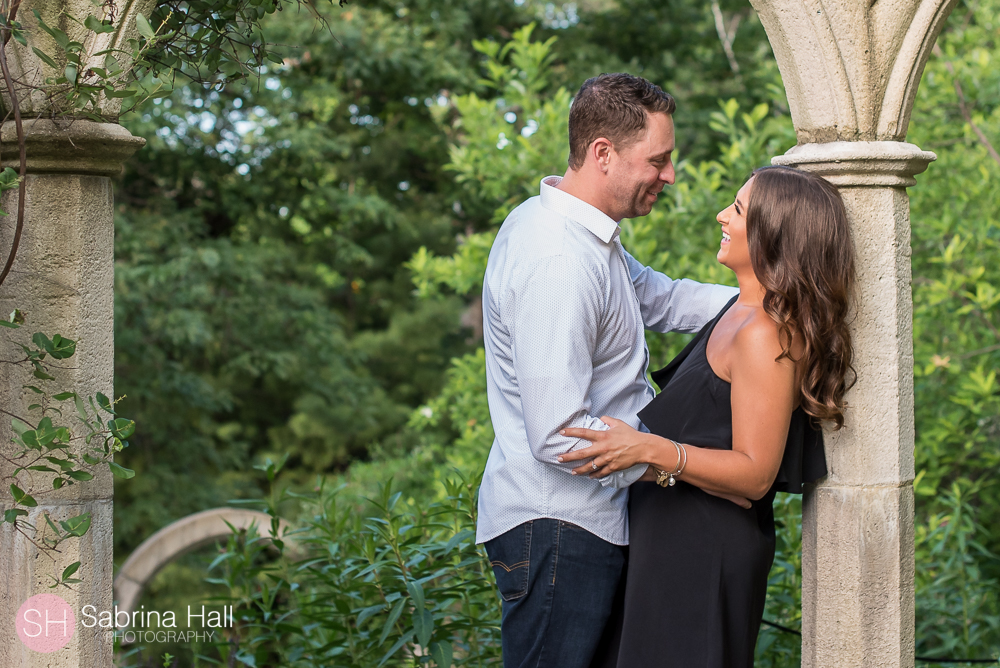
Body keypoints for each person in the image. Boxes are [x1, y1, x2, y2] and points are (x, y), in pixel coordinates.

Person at [476, 72, 738, 668]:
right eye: (659, 160)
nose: (669, 176)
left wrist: (763, 305)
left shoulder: (585, 236)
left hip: (582, 526)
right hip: (560, 530)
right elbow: (559, 432)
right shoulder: (556, 259)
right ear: (603, 154)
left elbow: (662, 299)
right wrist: (674, 467)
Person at [560, 165, 856, 667]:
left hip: (703, 550)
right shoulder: (736, 312)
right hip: (670, 540)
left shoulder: (765, 333)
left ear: (773, 233)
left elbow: (756, 474)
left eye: (737, 209)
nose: (721, 215)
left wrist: (650, 450)